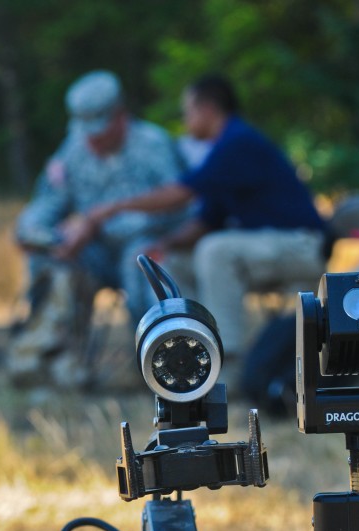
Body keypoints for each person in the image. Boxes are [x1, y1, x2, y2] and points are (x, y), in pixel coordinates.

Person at [88, 74, 327, 360]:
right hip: (266, 247)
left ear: (208, 110)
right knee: (174, 263)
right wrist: (166, 244)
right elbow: (206, 221)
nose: (185, 120)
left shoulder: (238, 142)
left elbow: (180, 193)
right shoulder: (222, 151)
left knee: (215, 249)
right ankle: (186, 350)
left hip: (301, 244)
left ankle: (225, 358)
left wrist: (114, 207)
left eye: (187, 111)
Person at [7, 70, 184, 388]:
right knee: (50, 261)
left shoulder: (154, 144)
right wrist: (33, 231)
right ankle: (52, 360)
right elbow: (50, 199)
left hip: (148, 247)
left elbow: (177, 205)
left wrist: (97, 224)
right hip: (97, 254)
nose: (92, 138)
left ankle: (157, 366)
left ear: (120, 116)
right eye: (86, 130)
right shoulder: (73, 150)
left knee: (142, 260)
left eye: (99, 129)